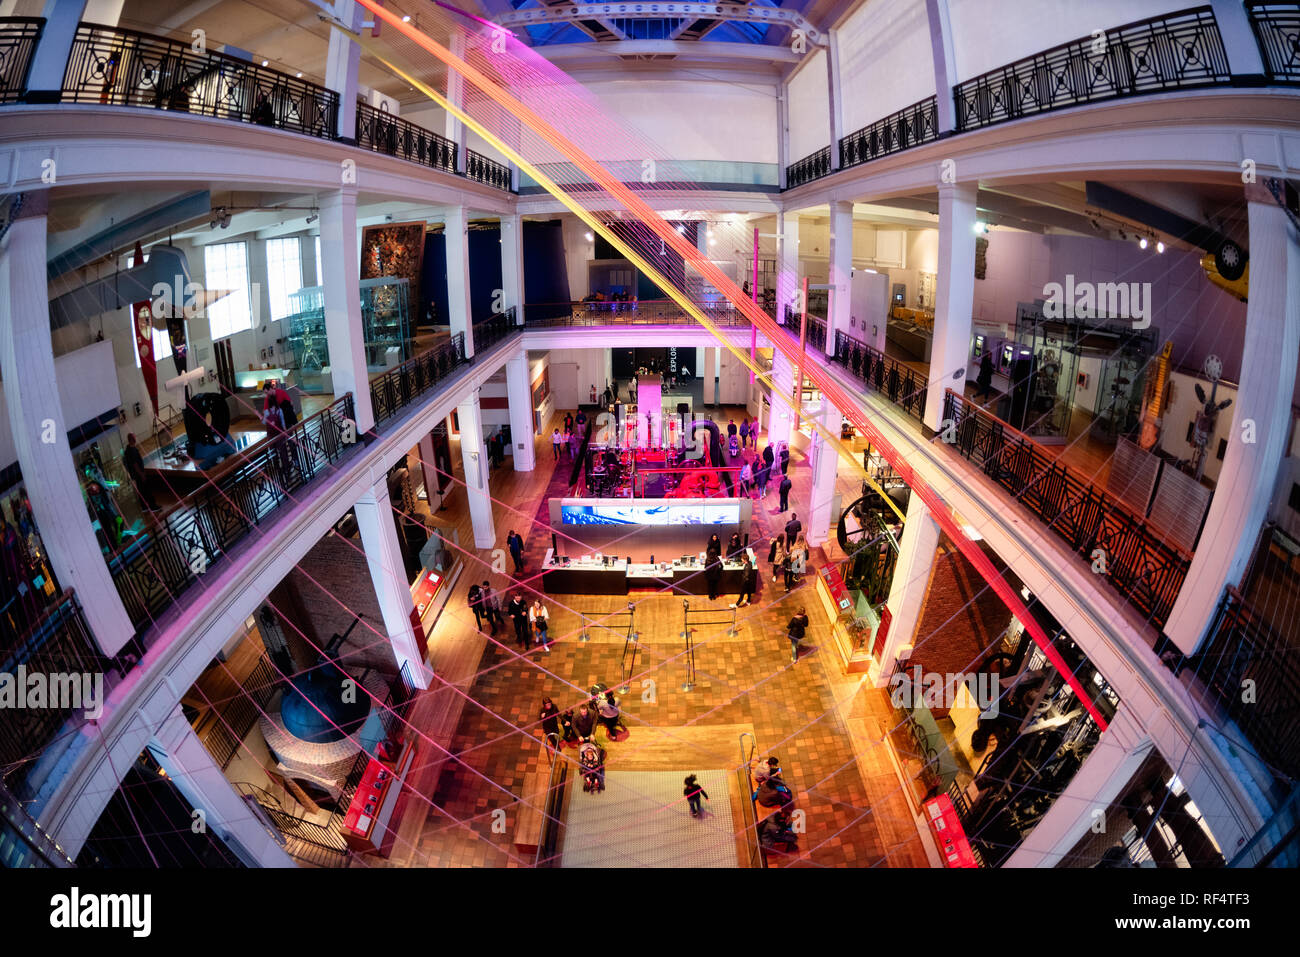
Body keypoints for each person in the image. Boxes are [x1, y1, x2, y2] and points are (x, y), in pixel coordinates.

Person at [122, 433, 160, 513]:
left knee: (141, 491)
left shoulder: (127, 450)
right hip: (139, 474)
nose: (136, 438)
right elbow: (135, 464)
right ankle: (153, 506)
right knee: (147, 490)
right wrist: (142, 474)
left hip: (135, 475)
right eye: (135, 437)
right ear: (132, 439)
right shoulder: (132, 451)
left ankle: (144, 507)